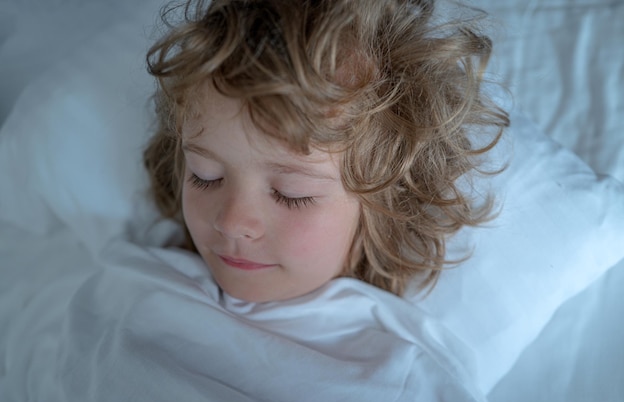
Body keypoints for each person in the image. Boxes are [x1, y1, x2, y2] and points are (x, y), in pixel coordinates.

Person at [144, 0, 508, 304]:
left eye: (291, 195)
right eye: (204, 175)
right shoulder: (138, 280)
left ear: (387, 210)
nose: (231, 222)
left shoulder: (390, 368)